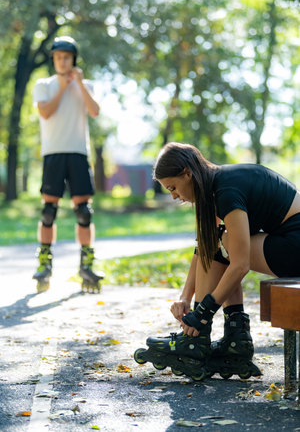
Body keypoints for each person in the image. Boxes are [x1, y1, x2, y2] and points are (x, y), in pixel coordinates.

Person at [134, 141, 300, 381]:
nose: (173, 196)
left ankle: (200, 340)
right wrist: (185, 297)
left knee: (223, 244)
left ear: (187, 174)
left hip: (295, 244)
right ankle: (234, 339)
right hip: (288, 242)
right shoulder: (215, 186)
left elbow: (239, 264)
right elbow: (203, 246)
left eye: (173, 187)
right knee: (218, 241)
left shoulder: (226, 190)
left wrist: (202, 314)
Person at [32, 36, 104, 293]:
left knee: (84, 211)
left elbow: (95, 111)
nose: (62, 60)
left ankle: (86, 264)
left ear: (74, 59)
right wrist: (62, 86)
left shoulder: (86, 85)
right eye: (58, 57)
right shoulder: (44, 85)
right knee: (48, 211)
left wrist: (79, 83)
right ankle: (45, 264)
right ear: (53, 59)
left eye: (67, 57)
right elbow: (45, 112)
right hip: (53, 153)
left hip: (77, 153)